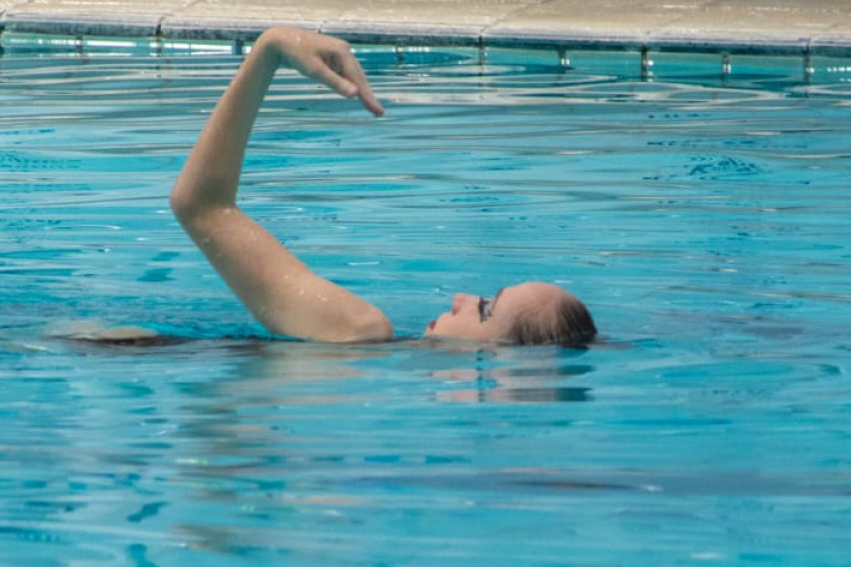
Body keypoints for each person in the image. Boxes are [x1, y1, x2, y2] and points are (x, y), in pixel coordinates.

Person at [170, 26, 596, 347]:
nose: (459, 298)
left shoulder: (362, 334)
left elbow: (203, 207)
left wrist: (270, 50)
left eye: (486, 310)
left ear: (503, 363)